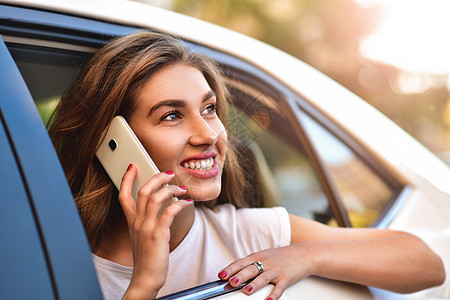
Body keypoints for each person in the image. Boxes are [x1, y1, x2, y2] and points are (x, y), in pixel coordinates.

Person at [48, 32, 445, 300]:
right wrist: (145, 285)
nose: (208, 133)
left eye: (209, 109)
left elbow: (426, 264)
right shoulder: (51, 259)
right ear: (113, 142)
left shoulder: (248, 233)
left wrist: (303, 256)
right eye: (171, 116)